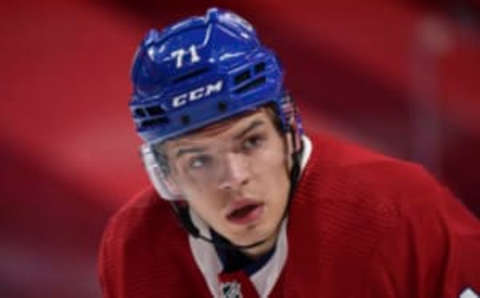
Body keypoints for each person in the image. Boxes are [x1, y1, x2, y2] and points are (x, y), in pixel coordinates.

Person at [98, 8, 480, 298]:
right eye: (198, 160)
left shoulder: (402, 213)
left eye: (251, 141)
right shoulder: (134, 251)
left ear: (289, 132)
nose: (234, 178)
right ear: (167, 175)